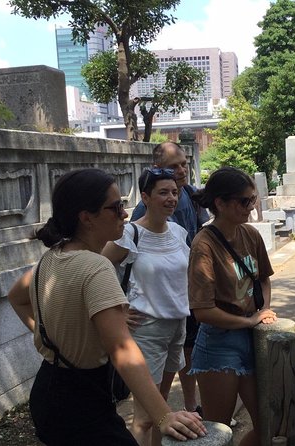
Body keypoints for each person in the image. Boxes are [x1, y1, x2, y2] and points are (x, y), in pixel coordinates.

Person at [7, 168, 207, 445]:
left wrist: (53, 340)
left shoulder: (51, 258)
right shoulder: (95, 265)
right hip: (82, 401)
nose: (125, 214)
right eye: (115, 208)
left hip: (48, 390)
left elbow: (16, 296)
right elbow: (122, 349)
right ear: (87, 218)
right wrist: (164, 416)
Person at [188, 167, 278, 446]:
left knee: (268, 425)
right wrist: (249, 321)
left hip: (251, 338)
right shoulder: (204, 244)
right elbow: (202, 311)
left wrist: (262, 313)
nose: (250, 207)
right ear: (220, 203)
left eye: (253, 199)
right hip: (219, 342)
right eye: (244, 201)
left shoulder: (250, 234)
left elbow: (263, 278)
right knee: (218, 432)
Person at [102, 168, 190, 446]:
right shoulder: (130, 234)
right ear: (146, 197)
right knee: (143, 418)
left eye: (174, 192)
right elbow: (100, 270)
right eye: (163, 192)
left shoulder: (178, 231)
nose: (171, 198)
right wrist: (118, 310)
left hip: (178, 326)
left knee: (161, 409)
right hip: (146, 330)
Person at [131, 142, 209, 416]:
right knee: (148, 410)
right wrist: (118, 306)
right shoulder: (140, 220)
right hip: (151, 315)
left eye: (184, 163)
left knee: (187, 352)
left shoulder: (188, 194)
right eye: (173, 166)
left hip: (180, 303)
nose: (181, 170)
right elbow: (111, 265)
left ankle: (190, 404)